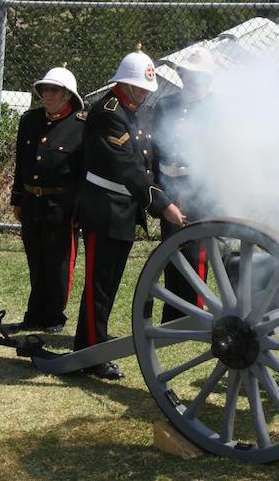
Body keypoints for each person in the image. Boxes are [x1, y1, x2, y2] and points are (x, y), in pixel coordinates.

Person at [74, 49, 186, 380]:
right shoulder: (109, 113)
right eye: (143, 89)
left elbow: (142, 159)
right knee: (99, 285)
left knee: (106, 284)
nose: (147, 95)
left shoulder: (128, 110)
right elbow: (127, 167)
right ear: (126, 85)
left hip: (121, 209)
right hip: (104, 207)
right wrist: (161, 202)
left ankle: (88, 346)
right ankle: (91, 355)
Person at [6, 66, 84, 334]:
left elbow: (84, 172)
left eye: (54, 90)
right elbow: (22, 163)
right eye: (44, 89)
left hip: (61, 206)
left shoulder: (80, 126)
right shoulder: (30, 121)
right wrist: (17, 198)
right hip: (32, 202)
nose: (47, 94)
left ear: (67, 95)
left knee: (59, 263)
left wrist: (79, 209)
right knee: (36, 261)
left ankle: (53, 316)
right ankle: (34, 314)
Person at [154, 47, 216, 323]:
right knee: (171, 249)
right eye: (187, 74)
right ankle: (172, 311)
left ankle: (192, 312)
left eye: (198, 75)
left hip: (201, 186)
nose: (192, 80)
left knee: (196, 252)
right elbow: (155, 148)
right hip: (170, 183)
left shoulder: (219, 109)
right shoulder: (166, 105)